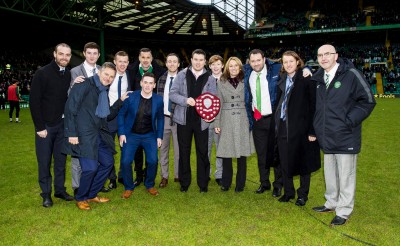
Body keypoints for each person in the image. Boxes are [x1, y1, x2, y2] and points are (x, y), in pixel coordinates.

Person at [311, 44, 376, 226]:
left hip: (346, 134)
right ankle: (331, 203)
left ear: (336, 56)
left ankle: (344, 210)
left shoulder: (351, 74)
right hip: (327, 135)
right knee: (330, 172)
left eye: (327, 54)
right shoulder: (318, 78)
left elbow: (368, 101)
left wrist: (349, 121)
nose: (323, 58)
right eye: (320, 55)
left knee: (346, 174)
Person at [244, 49, 311, 196]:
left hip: (274, 119)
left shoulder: (276, 68)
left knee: (277, 154)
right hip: (257, 120)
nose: (256, 63)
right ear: (249, 62)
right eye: (252, 61)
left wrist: (307, 68)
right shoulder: (247, 71)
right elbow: (230, 68)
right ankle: (264, 183)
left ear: (264, 59)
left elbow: (294, 66)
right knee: (261, 155)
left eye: (258, 60)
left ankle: (278, 185)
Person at [63, 62, 129, 210]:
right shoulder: (84, 84)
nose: (108, 78)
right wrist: (72, 133)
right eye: (106, 74)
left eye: (111, 77)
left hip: (98, 135)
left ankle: (91, 194)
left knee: (107, 162)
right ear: (99, 72)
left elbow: (106, 116)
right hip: (83, 135)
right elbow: (70, 108)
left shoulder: (102, 92)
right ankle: (81, 197)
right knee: (90, 169)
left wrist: (120, 102)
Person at [29, 43, 75, 207]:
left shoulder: (68, 74)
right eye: (61, 54)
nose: (64, 57)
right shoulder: (42, 73)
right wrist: (40, 127)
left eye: (67, 55)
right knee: (44, 161)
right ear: (54, 54)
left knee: (61, 161)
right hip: (46, 127)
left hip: (62, 126)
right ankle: (46, 194)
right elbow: (34, 102)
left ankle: (60, 190)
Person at [274, 51, 321, 206]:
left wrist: (312, 130)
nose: (288, 64)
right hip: (283, 126)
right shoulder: (282, 80)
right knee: (284, 160)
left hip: (301, 128)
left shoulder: (307, 79)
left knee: (303, 162)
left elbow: (314, 105)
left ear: (298, 62)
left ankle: (302, 195)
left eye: (291, 61)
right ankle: (289, 192)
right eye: (285, 62)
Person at [169, 49, 217, 193]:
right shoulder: (181, 75)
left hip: (202, 121)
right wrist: (185, 100)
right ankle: (185, 183)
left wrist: (211, 113)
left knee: (203, 152)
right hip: (184, 120)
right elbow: (172, 94)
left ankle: (203, 184)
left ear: (205, 61)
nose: (198, 62)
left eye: (201, 60)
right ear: (191, 59)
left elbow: (214, 98)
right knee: (184, 152)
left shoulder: (210, 78)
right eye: (196, 59)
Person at [118, 72, 164, 199]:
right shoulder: (131, 97)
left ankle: (149, 184)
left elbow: (160, 118)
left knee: (153, 160)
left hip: (149, 135)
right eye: (145, 82)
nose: (148, 85)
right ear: (141, 83)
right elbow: (121, 114)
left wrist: (159, 136)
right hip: (131, 134)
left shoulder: (158, 100)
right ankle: (128, 187)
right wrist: (122, 133)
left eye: (150, 83)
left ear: (154, 85)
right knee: (126, 161)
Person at [214, 57, 254, 192]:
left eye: (236, 66)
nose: (233, 68)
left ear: (240, 67)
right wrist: (217, 122)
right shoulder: (221, 82)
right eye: (231, 66)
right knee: (226, 152)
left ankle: (240, 184)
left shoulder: (247, 79)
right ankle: (226, 182)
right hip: (226, 118)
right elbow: (218, 103)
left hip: (243, 118)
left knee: (242, 153)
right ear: (227, 67)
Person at [127, 48, 165, 186]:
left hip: (152, 113)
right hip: (136, 115)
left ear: (151, 58)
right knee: (137, 151)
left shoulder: (160, 71)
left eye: (148, 57)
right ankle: (138, 175)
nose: (145, 60)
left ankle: (149, 176)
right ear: (139, 57)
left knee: (151, 153)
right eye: (142, 57)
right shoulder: (131, 71)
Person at [69, 41, 101, 196]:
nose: (92, 56)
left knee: (94, 153)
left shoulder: (102, 70)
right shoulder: (75, 71)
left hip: (96, 120)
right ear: (84, 54)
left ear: (98, 55)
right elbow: (69, 95)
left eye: (95, 53)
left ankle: (90, 187)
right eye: (89, 53)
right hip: (80, 119)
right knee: (77, 155)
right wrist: (73, 85)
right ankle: (77, 187)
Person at [101, 50, 131, 192]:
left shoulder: (130, 76)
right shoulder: (107, 77)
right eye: (120, 61)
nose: (122, 64)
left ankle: (122, 175)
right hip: (109, 118)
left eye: (125, 61)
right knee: (108, 149)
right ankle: (111, 178)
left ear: (128, 63)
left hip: (125, 119)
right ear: (115, 61)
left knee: (126, 149)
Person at [157, 53, 180, 188]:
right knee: (163, 150)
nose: (172, 64)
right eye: (169, 61)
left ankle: (178, 175)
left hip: (178, 119)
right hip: (164, 118)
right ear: (166, 63)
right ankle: (164, 176)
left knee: (179, 149)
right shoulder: (161, 79)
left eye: (174, 62)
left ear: (178, 64)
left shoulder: (183, 80)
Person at [207, 55, 224, 186]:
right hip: (206, 120)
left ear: (222, 65)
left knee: (220, 148)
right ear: (210, 66)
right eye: (213, 64)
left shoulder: (227, 80)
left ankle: (219, 174)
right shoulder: (205, 79)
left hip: (222, 121)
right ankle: (206, 173)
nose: (216, 66)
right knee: (206, 148)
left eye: (218, 64)